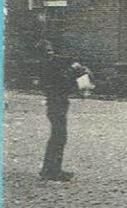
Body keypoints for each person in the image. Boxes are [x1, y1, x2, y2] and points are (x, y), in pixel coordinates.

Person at [36, 40, 88, 182]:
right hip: (55, 104)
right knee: (59, 137)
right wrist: (73, 71)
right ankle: (51, 171)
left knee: (58, 137)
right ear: (42, 54)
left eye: (51, 49)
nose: (51, 53)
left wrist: (75, 66)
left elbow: (65, 62)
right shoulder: (47, 67)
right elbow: (61, 81)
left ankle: (51, 169)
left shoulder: (49, 63)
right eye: (47, 51)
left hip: (58, 104)